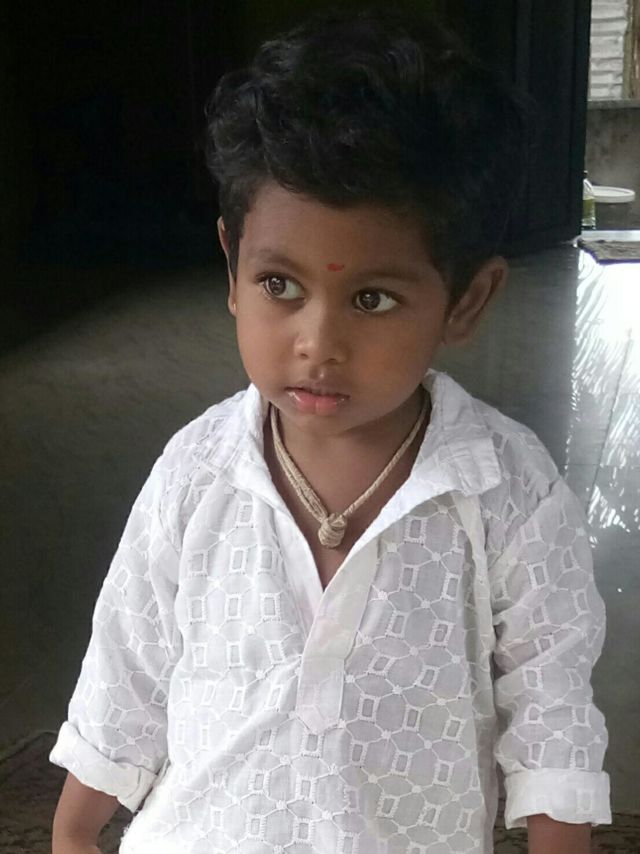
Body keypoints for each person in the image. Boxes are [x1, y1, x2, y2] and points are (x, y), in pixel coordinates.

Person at [50, 8, 611, 853]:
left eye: (372, 299)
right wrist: (74, 828)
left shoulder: (509, 492)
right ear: (232, 269)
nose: (318, 342)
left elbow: (552, 714)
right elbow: (128, 664)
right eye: (279, 285)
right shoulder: (195, 472)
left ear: (466, 301)